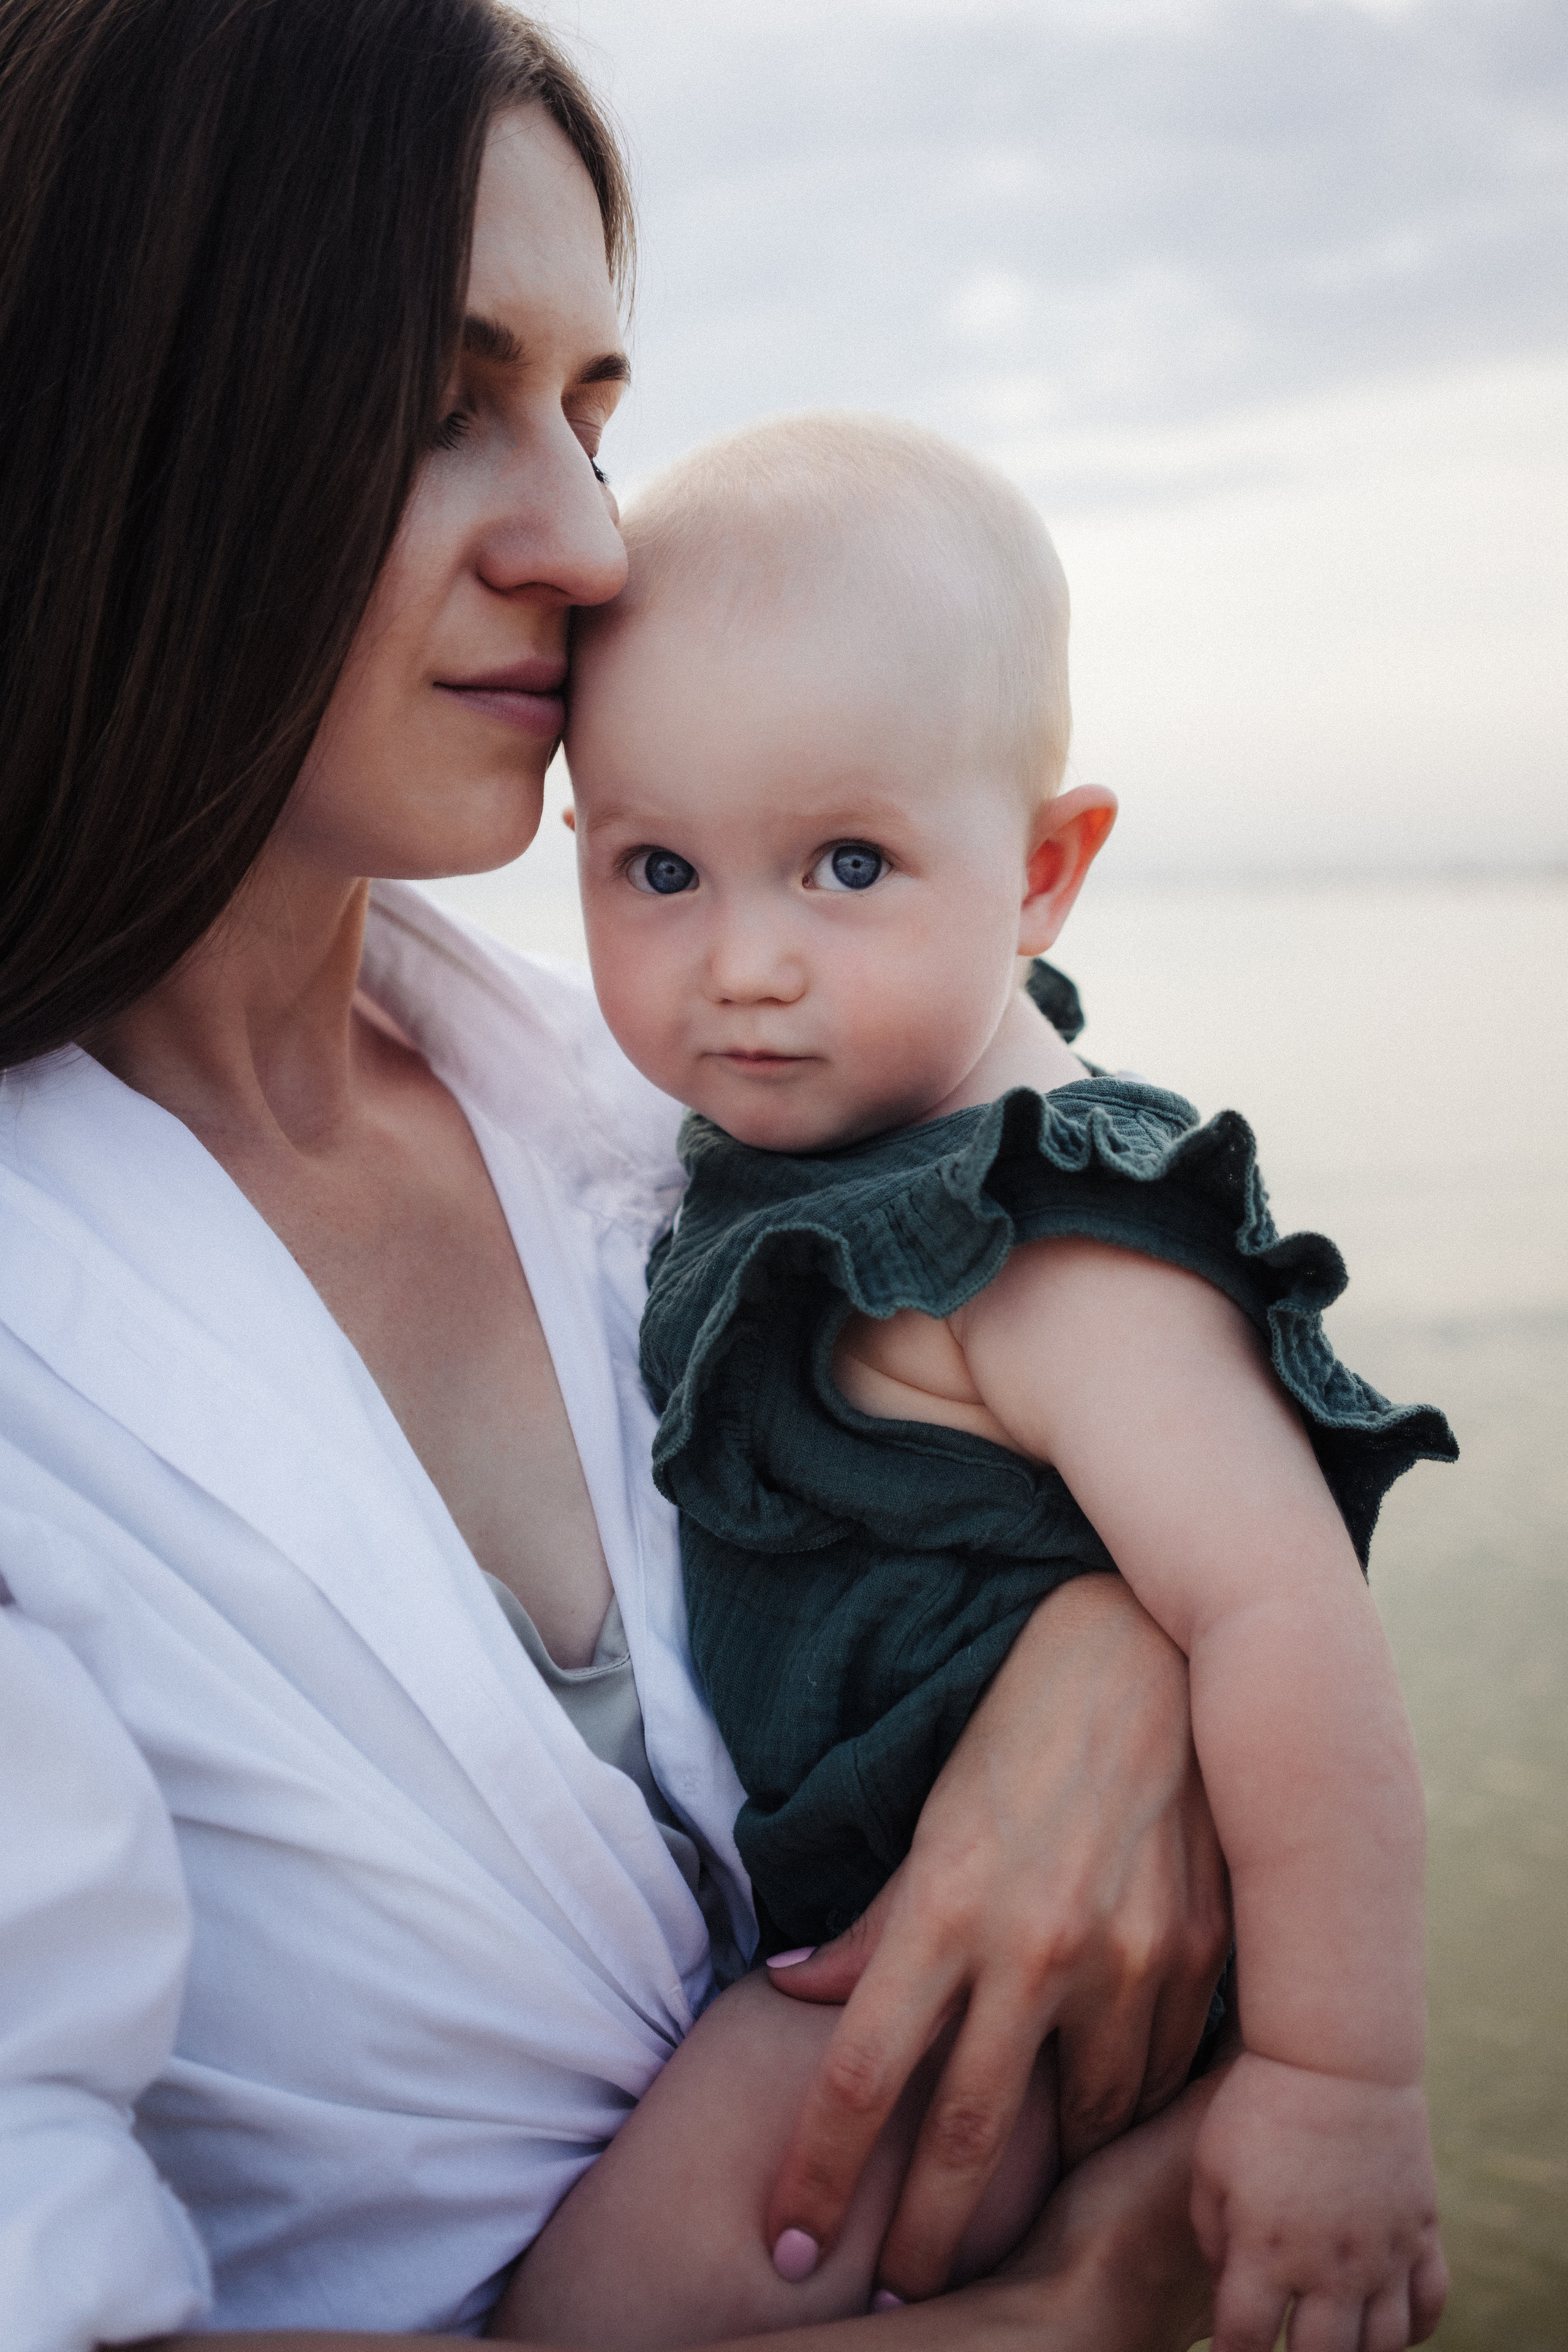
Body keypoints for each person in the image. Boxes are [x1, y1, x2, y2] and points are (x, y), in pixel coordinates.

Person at [0, 3, 1248, 2348]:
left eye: (590, 410)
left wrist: (1121, 1659)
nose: (586, 543)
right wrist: (1071, 2317)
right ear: (111, 407)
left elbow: (1144, 1382)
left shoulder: (673, 1128)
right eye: (434, 399)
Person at [501, 414, 1458, 2352]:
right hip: (880, 1912)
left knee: (598, 2312)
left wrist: (1336, 2080)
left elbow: (1285, 1611)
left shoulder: (1041, 1228)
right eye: (661, 867)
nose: (746, 963)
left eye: (848, 864)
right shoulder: (794, 1151)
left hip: (976, 1997)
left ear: (1043, 871)